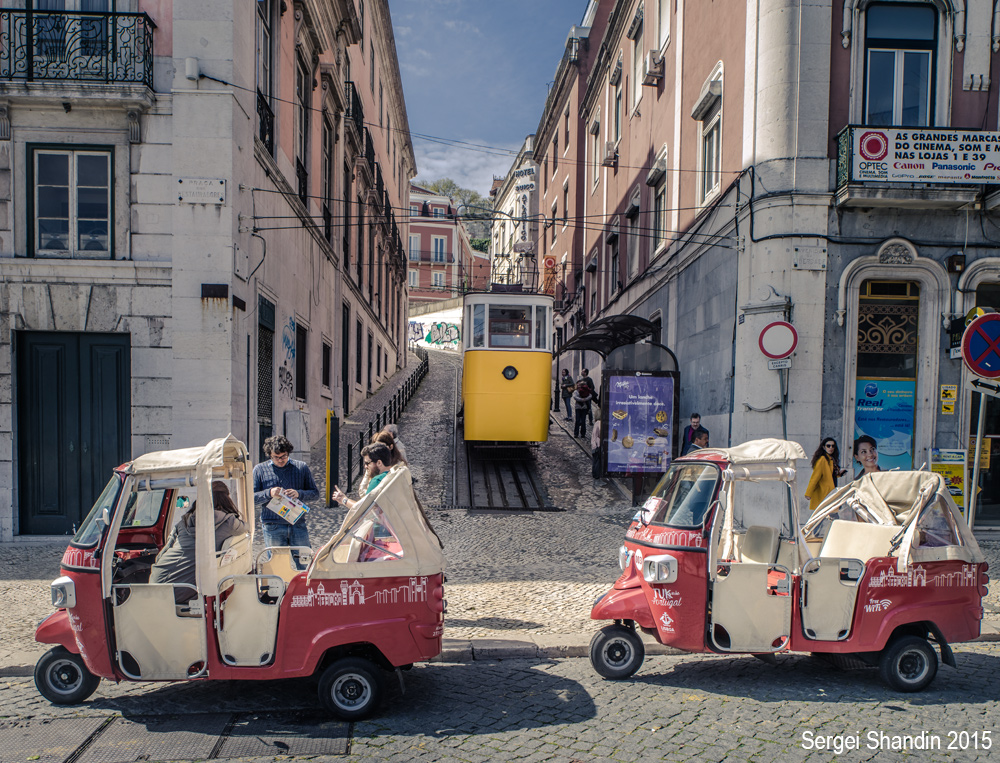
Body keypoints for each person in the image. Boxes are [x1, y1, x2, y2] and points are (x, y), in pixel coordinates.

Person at [150, 481, 247, 603]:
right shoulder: (229, 523)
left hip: (155, 582)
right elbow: (246, 528)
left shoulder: (184, 521)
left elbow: (165, 550)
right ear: (226, 499)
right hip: (181, 590)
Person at [253, 434, 319, 556]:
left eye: (284, 456)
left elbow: (315, 494)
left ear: (288, 453)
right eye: (276, 457)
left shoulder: (301, 467)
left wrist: (299, 493)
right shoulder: (259, 470)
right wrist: (269, 493)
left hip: (298, 524)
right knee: (277, 565)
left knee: (304, 563)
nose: (280, 460)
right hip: (272, 526)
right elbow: (251, 499)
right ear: (269, 455)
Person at [332, 443, 393, 510]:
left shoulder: (377, 480)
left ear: (379, 463)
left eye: (367, 463)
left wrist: (343, 499)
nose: (365, 466)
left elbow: (362, 509)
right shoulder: (394, 474)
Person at [805, 438, 843, 511]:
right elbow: (815, 477)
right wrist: (808, 493)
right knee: (829, 513)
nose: (831, 448)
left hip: (831, 490)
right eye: (828, 446)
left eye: (833, 446)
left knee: (828, 514)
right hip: (825, 492)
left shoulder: (831, 459)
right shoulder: (823, 459)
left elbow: (831, 474)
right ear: (823, 447)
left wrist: (840, 474)